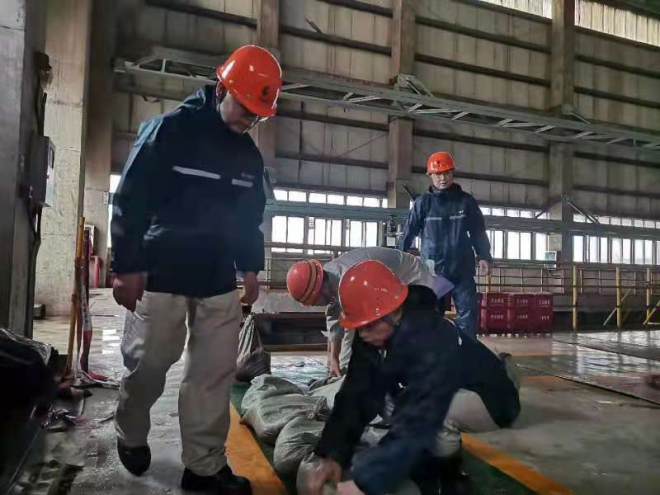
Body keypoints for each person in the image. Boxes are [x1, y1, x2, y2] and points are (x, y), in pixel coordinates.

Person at [110, 45, 282, 493]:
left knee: (212, 374)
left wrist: (250, 268)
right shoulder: (168, 132)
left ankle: (203, 467)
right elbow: (129, 199)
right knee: (148, 366)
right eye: (246, 108)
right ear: (222, 88)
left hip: (217, 277)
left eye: (258, 115)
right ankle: (130, 432)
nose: (250, 120)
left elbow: (249, 217)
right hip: (161, 272)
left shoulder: (248, 156)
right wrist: (125, 266)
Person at [306, 260, 520, 495]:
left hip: (492, 396)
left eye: (369, 325)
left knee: (438, 415)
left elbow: (421, 414)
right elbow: (356, 392)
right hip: (452, 384)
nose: (363, 334)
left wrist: (365, 481)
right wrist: (333, 454)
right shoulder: (373, 331)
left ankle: (450, 477)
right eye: (359, 327)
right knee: (387, 401)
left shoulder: (429, 335)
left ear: (393, 312)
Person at [285, 247, 453, 377]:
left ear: (321, 290)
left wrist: (345, 369)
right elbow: (334, 318)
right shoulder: (327, 276)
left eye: (316, 301)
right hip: (389, 279)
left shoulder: (349, 280)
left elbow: (352, 331)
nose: (317, 305)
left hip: (410, 276)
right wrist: (333, 359)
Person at [398, 152, 492, 339]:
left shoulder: (466, 202)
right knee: (430, 316)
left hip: (461, 270)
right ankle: (433, 353)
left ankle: (465, 350)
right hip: (433, 271)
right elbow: (408, 233)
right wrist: (398, 259)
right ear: (430, 176)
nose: (443, 178)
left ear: (453, 173)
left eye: (447, 173)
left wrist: (484, 256)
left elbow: (478, 231)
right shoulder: (423, 203)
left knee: (468, 315)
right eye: (438, 174)